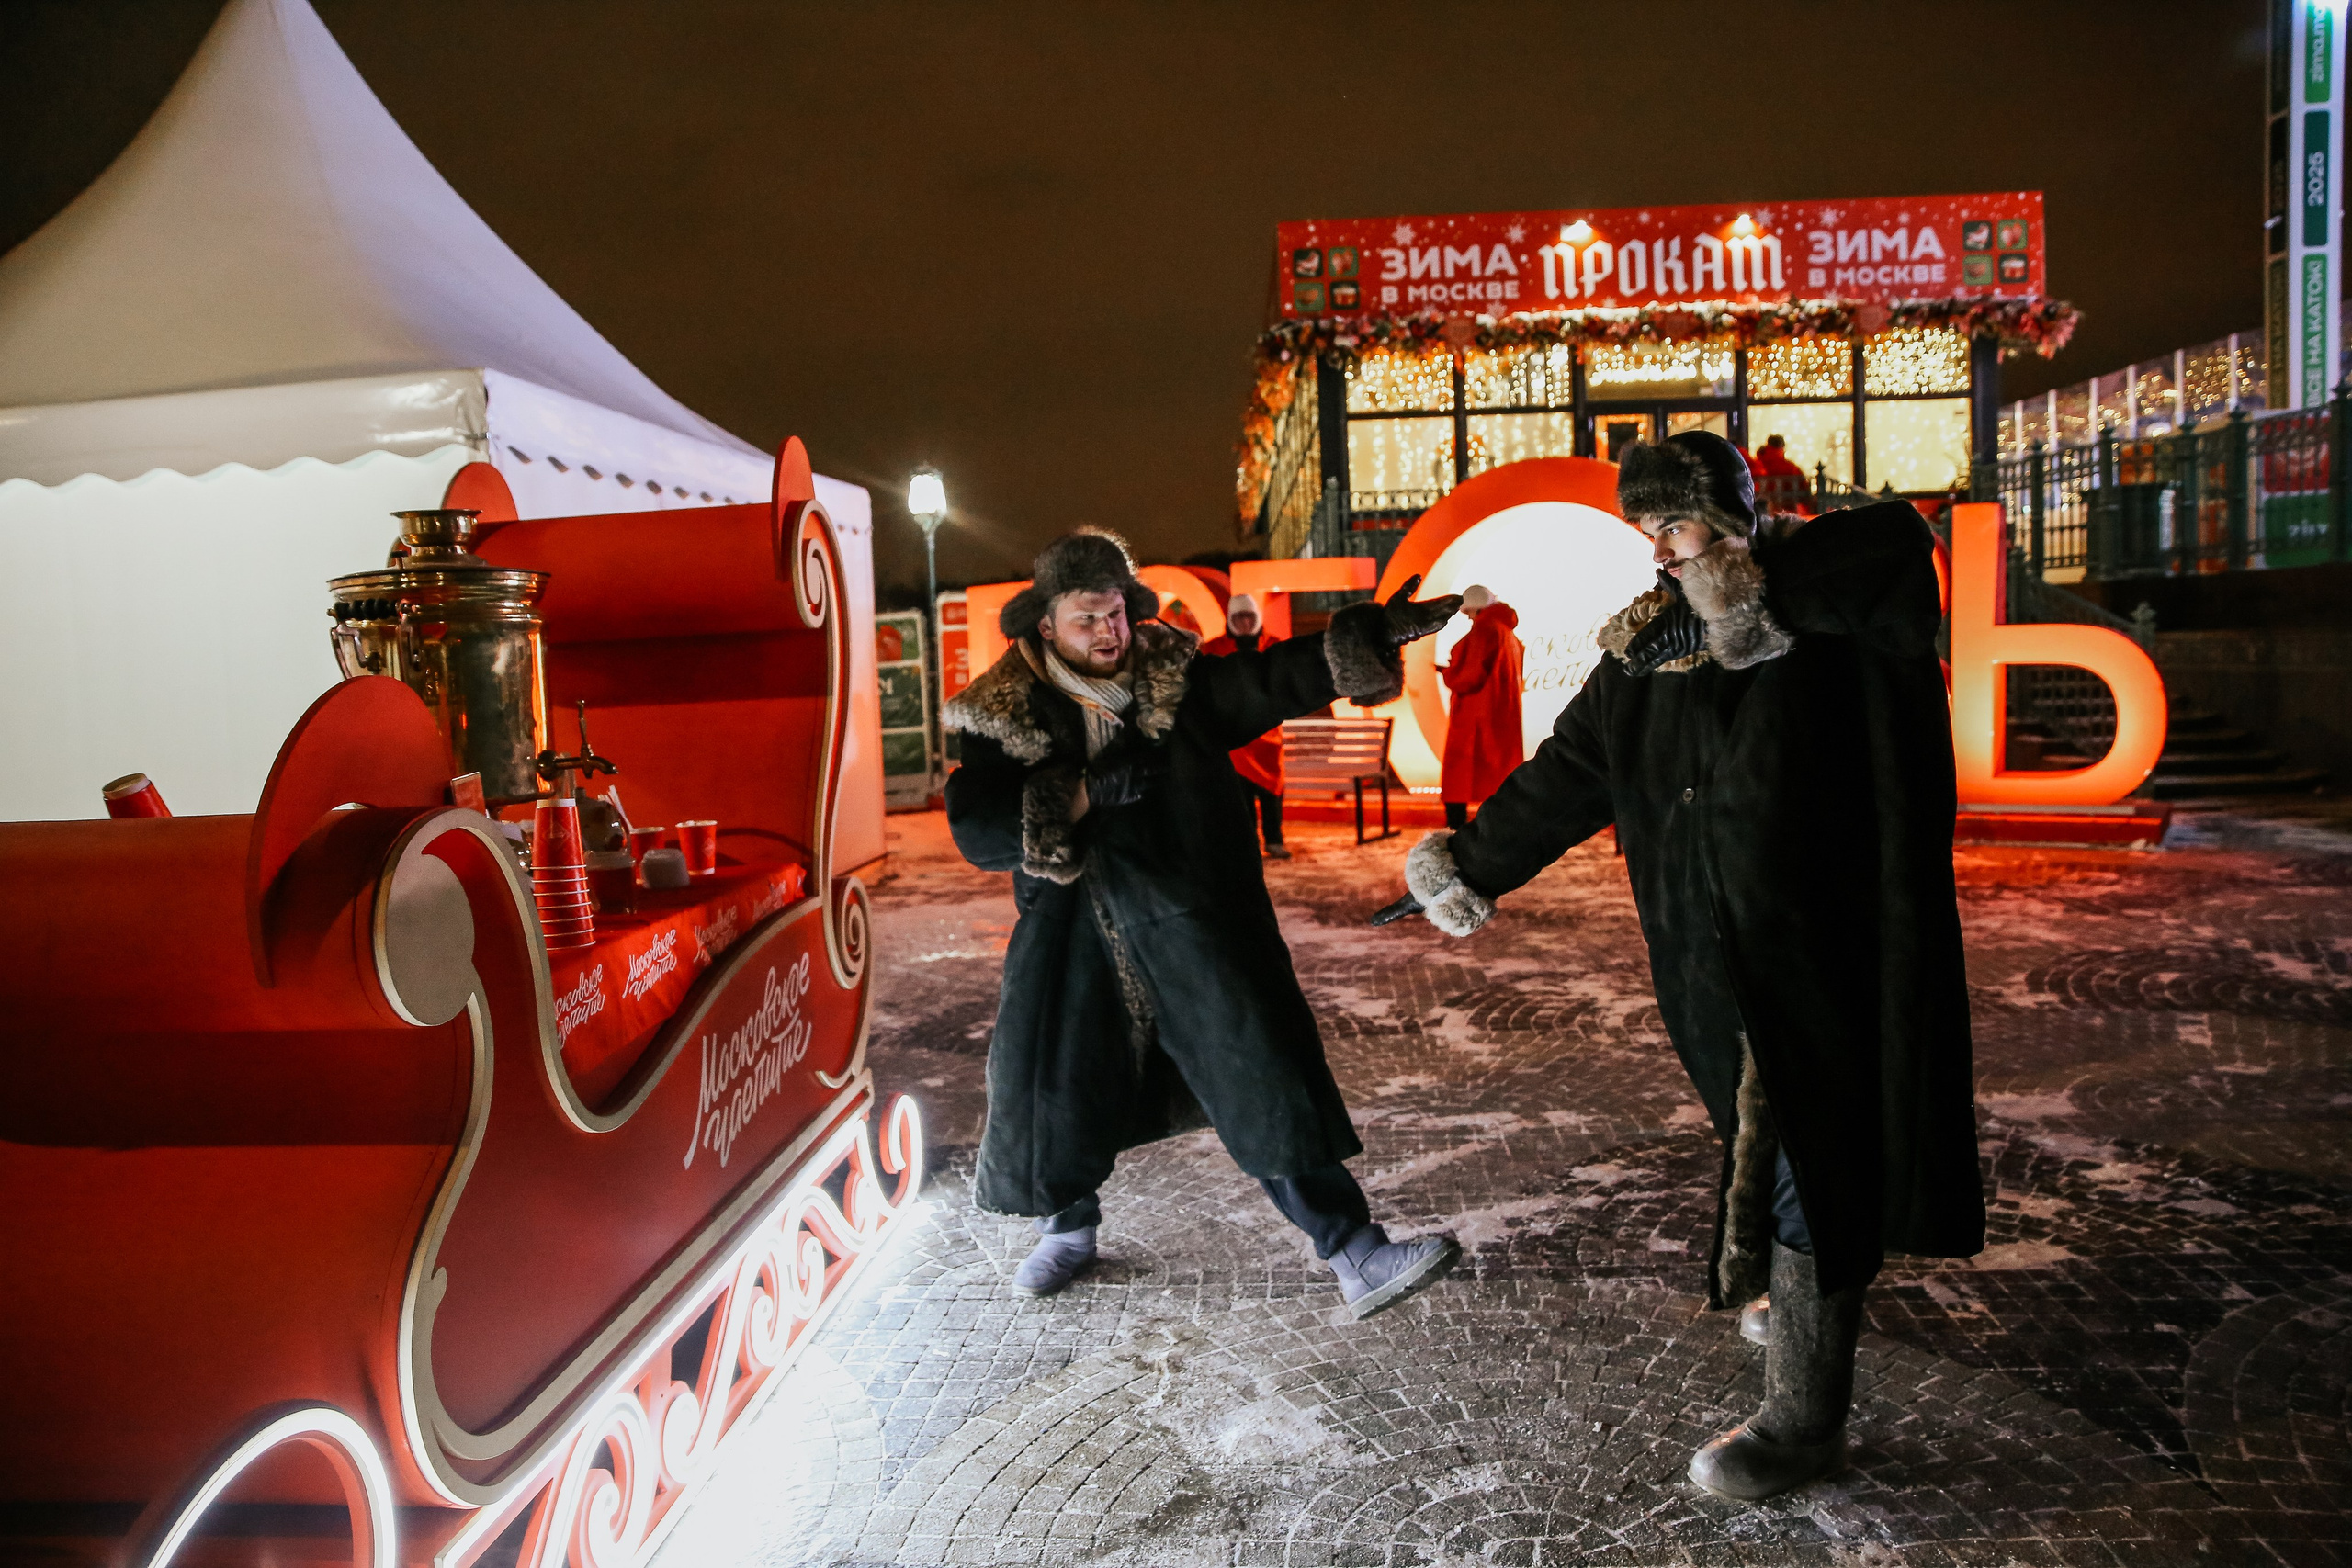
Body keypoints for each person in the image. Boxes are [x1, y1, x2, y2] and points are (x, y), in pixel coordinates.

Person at [1374, 431, 1984, 1499]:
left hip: (1823, 961)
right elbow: (1567, 774)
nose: (1656, 548)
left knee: (1805, 1160)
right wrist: (1464, 866)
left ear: (1732, 512)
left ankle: (1801, 1424)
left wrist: (1740, 596)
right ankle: (1805, 1289)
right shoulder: (1647, 655)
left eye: (1674, 522)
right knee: (1770, 1143)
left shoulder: (1827, 610)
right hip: (1708, 970)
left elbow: (1892, 553)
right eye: (1641, 530)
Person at [944, 530, 1464, 1318]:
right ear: (1045, 626)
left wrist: (1359, 641)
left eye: (1116, 612)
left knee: (1259, 1075)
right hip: (1075, 944)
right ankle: (1070, 1228)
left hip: (1192, 925)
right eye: (1088, 618)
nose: (1109, 631)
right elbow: (973, 827)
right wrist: (1078, 795)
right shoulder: (999, 715)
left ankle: (1355, 1251)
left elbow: (1264, 681)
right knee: (1059, 1086)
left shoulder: (1171, 681)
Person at [1201, 592, 1288, 858]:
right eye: (1239, 617)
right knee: (1241, 796)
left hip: (1268, 735)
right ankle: (1247, 842)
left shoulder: (1272, 645)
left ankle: (1274, 839)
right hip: (1234, 738)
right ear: (1230, 619)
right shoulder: (1213, 649)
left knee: (1272, 790)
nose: (1245, 623)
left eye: (1249, 616)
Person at [1437, 585, 1524, 830]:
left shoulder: (1484, 631)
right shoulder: (1508, 633)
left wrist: (1448, 672)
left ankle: (1456, 830)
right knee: (1498, 777)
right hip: (1500, 716)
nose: (1467, 617)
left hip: (1475, 717)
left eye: (1468, 612)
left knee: (1461, 777)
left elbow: (1469, 676)